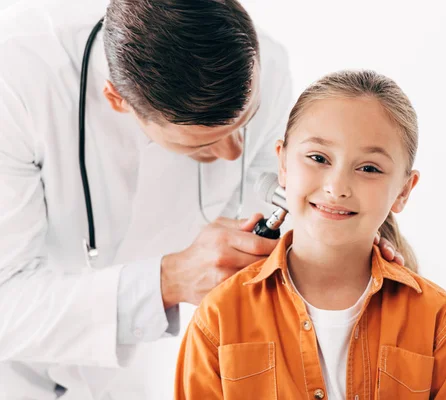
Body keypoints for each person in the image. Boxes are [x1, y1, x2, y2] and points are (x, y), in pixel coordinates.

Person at [0, 1, 404, 398]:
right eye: (203, 144)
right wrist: (167, 281)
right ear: (117, 100)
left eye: (245, 122)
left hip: (138, 368)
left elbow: (279, 186)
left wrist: (347, 236)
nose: (232, 153)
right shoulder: (18, 83)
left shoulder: (264, 66)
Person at [175, 70, 446, 399]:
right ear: (282, 164)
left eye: (369, 168)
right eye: (318, 158)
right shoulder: (219, 318)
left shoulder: (442, 323)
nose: (336, 187)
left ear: (403, 190)